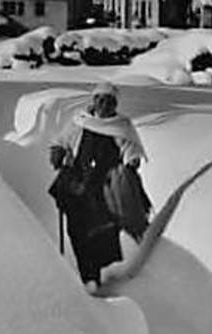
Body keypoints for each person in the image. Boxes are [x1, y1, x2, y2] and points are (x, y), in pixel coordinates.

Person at [47, 82, 151, 291]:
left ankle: (98, 274)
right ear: (94, 101)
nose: (104, 105)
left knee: (101, 232)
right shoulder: (80, 121)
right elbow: (61, 141)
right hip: (77, 186)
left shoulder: (121, 125)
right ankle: (88, 277)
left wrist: (132, 161)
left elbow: (131, 149)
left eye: (109, 101)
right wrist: (58, 152)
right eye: (100, 99)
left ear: (114, 103)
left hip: (105, 187)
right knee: (76, 231)